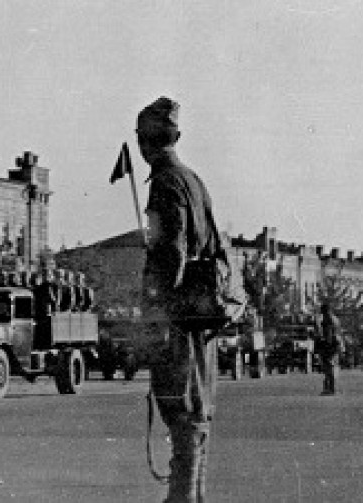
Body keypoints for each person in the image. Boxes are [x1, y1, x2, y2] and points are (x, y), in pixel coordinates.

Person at [138, 96, 226, 502]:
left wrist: (157, 309)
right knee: (197, 411)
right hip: (201, 316)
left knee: (183, 413)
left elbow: (171, 252)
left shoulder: (165, 183)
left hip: (177, 320)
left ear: (144, 141)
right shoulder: (194, 180)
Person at [316, 303, 342, 395]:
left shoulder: (326, 319)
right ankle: (330, 388)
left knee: (328, 366)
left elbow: (327, 333)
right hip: (335, 343)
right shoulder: (335, 319)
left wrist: (323, 342)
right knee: (332, 366)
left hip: (329, 344)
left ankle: (330, 388)